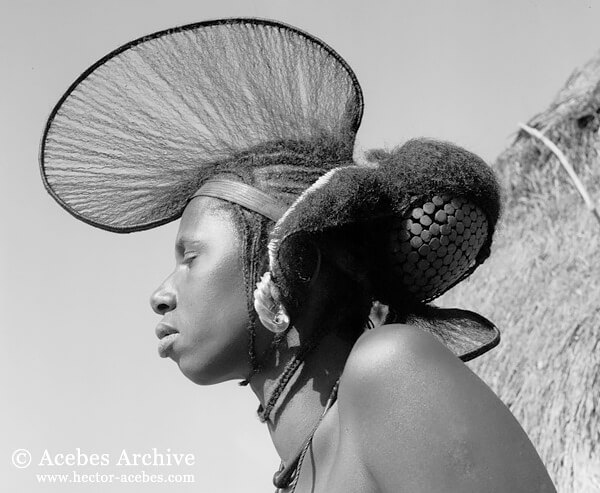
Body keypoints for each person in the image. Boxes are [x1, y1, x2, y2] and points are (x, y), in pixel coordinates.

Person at [40, 18, 556, 492]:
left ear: (290, 262)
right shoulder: (302, 468)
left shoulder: (390, 369)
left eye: (191, 257)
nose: (161, 294)